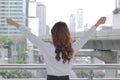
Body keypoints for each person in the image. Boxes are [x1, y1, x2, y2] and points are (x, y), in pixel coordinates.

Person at [6, 16, 106, 80]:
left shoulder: (46, 48)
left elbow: (31, 36)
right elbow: (86, 37)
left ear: (53, 35)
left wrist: (15, 24)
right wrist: (97, 23)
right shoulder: (72, 49)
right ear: (67, 34)